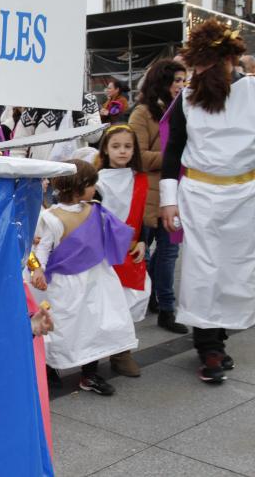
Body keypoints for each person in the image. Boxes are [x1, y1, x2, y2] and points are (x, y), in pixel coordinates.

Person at [160, 20, 255, 384]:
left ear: (228, 60)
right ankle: (208, 345)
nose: (200, 73)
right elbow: (173, 151)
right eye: (196, 65)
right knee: (202, 270)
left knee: (234, 268)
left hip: (244, 194)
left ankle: (220, 337)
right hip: (198, 195)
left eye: (208, 64)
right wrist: (169, 201)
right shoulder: (186, 98)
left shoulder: (251, 92)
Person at [30, 159, 137, 396]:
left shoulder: (95, 210)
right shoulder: (52, 217)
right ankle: (48, 368)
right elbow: (43, 248)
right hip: (65, 284)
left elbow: (113, 232)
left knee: (95, 325)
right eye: (91, 184)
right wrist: (38, 269)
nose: (94, 189)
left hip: (96, 279)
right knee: (60, 327)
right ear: (78, 186)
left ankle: (90, 374)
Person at [129, 59, 188, 333]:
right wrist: (174, 158)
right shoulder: (142, 113)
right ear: (161, 82)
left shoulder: (186, 110)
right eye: (176, 80)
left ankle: (166, 308)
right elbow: (135, 155)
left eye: (183, 80)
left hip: (175, 196)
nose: (181, 85)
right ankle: (142, 299)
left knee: (168, 254)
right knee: (144, 252)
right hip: (147, 197)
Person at [95, 125, 150, 378]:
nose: (122, 151)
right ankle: (95, 354)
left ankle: (122, 353)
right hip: (102, 252)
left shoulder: (140, 178)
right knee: (103, 304)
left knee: (128, 302)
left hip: (130, 251)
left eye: (127, 146)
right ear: (105, 148)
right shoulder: (96, 180)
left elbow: (144, 214)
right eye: (116, 146)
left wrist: (143, 241)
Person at [11, 93, 102, 161]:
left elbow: (95, 137)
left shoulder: (87, 99)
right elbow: (19, 144)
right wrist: (20, 174)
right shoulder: (38, 99)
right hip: (41, 174)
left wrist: (77, 113)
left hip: (75, 175)